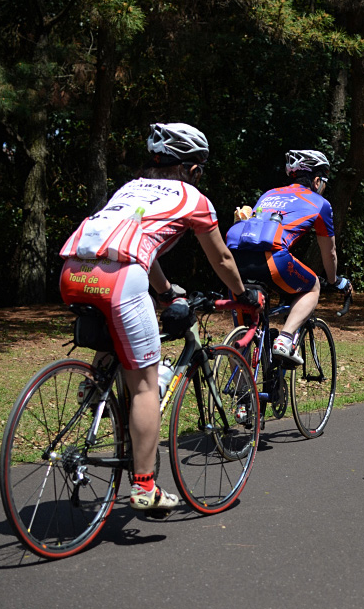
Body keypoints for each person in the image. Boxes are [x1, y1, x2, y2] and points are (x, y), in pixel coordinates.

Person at [59, 122, 262, 512]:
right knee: (145, 386)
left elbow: (136, 246)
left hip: (73, 271)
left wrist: (167, 292)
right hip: (121, 279)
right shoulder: (193, 196)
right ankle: (145, 486)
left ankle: (95, 389)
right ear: (194, 170)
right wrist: (242, 294)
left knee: (115, 343)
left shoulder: (130, 187)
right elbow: (221, 257)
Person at [228, 149, 351, 366]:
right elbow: (329, 252)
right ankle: (285, 339)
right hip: (272, 260)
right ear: (316, 180)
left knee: (245, 336)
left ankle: (241, 394)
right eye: (324, 181)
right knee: (313, 286)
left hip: (236, 262)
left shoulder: (269, 194)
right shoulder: (320, 203)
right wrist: (333, 281)